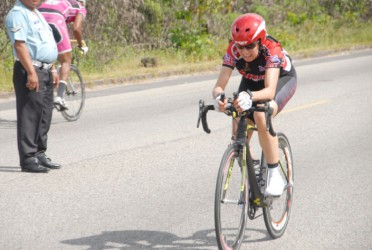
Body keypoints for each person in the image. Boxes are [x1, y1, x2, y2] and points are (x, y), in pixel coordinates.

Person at [213, 13, 297, 196]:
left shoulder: (271, 49)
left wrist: (250, 97)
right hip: (252, 83)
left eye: (250, 46)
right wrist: (219, 98)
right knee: (237, 122)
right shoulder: (233, 50)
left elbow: (269, 91)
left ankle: (274, 174)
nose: (244, 52)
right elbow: (219, 85)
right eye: (240, 46)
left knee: (261, 114)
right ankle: (254, 175)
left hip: (280, 80)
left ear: (260, 41)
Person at [5, 0, 62, 173]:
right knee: (30, 114)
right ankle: (28, 158)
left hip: (44, 68)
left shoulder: (36, 12)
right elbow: (20, 45)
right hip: (30, 68)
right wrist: (31, 72)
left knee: (44, 113)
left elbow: (44, 44)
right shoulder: (17, 14)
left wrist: (52, 69)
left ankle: (40, 153)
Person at [38, 0, 88, 110]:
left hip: (38, 19)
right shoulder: (80, 7)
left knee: (46, 56)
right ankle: (59, 97)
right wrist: (81, 44)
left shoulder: (59, 1)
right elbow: (76, 28)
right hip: (55, 22)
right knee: (66, 60)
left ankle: (51, 73)